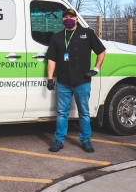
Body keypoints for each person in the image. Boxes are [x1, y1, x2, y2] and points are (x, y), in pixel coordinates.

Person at [45, 9, 106, 153]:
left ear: (76, 19)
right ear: (62, 20)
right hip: (63, 81)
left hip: (82, 81)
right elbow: (52, 59)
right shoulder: (57, 37)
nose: (68, 19)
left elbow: (101, 51)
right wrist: (49, 78)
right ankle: (59, 141)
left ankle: (86, 141)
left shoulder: (87, 33)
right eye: (66, 17)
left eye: (71, 17)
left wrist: (96, 69)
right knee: (62, 113)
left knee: (84, 112)